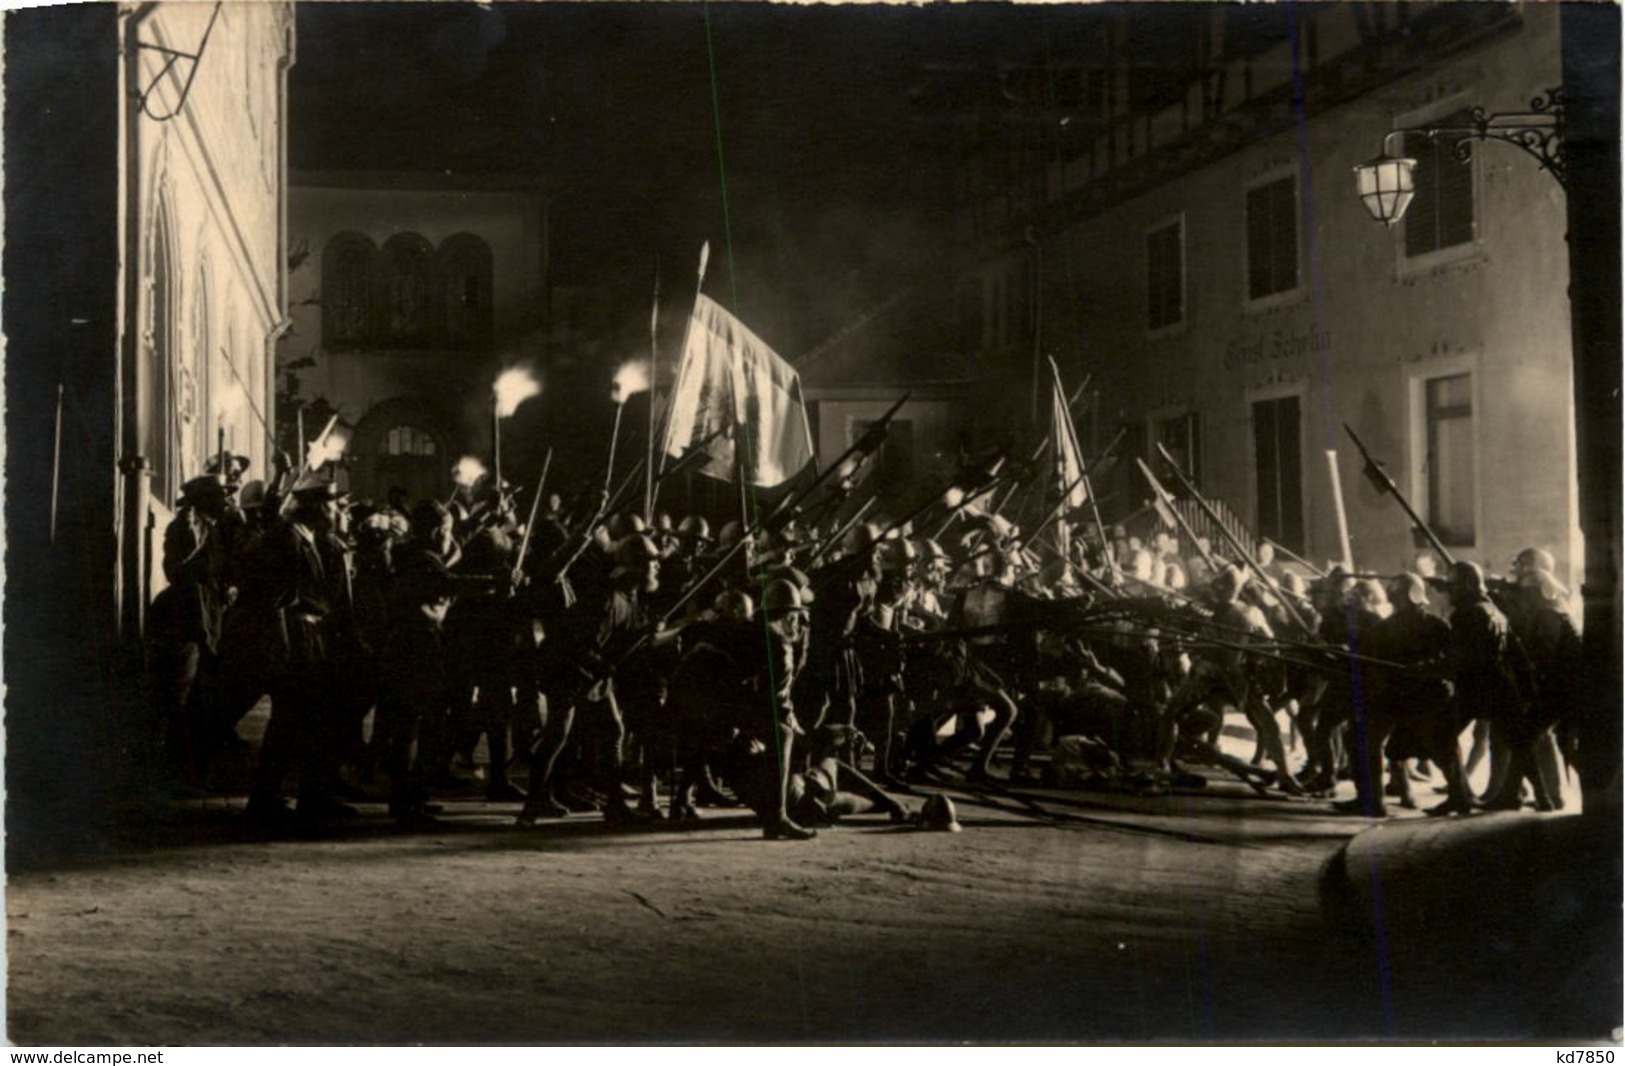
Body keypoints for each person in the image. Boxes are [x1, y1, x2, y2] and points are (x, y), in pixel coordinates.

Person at [242, 471, 352, 826]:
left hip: (310, 639)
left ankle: (310, 796)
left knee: (310, 722)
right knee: (289, 723)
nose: (338, 512)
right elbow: (273, 602)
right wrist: (283, 650)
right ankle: (266, 801)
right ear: (317, 509)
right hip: (295, 641)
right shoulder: (287, 540)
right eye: (333, 506)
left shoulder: (308, 537)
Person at [149, 473, 235, 790]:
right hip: (186, 618)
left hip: (205, 616)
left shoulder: (210, 527)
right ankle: (168, 771)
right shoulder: (188, 527)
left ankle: (187, 767)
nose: (226, 500)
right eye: (219, 495)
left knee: (197, 697)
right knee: (178, 696)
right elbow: (179, 572)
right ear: (204, 500)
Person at [1443, 561, 1546, 814]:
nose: (1449, 591)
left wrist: (1436, 668)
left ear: (1467, 584)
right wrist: (1527, 689)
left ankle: (1459, 797)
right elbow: (1516, 653)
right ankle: (1543, 797)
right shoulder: (1495, 611)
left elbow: (1463, 657)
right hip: (1501, 686)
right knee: (1519, 742)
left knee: (1441, 735)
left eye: (1452, 585)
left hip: (1476, 688)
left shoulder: (1466, 614)